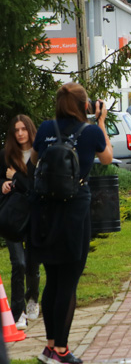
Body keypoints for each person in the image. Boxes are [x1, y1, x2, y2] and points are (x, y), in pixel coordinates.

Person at [32, 83, 113, 363]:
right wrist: (100, 121)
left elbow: (34, 161)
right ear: (84, 105)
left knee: (52, 278)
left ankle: (50, 345)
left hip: (44, 213)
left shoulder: (44, 129)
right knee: (69, 280)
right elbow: (107, 158)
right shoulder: (90, 131)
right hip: (75, 211)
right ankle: (62, 352)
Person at [1, 115, 40, 331]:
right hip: (13, 216)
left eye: (23, 129)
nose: (20, 133)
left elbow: (35, 187)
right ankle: (18, 312)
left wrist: (16, 177)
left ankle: (33, 298)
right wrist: (4, 184)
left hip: (33, 215)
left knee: (32, 263)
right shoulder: (6, 155)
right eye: (16, 130)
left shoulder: (38, 155)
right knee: (19, 263)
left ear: (30, 130)